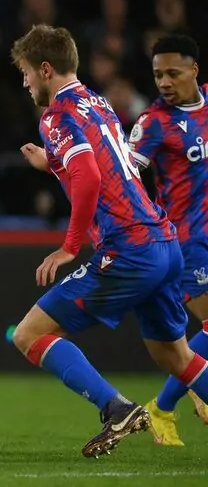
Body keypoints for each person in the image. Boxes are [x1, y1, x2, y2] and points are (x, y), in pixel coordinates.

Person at [10, 24, 208, 458]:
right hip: (164, 242)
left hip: (128, 249)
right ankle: (119, 407)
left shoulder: (56, 115)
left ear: (45, 69)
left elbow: (90, 177)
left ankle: (115, 408)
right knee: (177, 358)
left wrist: (69, 245)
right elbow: (101, 161)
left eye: (26, 73)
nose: (24, 83)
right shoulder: (95, 101)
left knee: (28, 335)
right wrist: (53, 162)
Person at [126, 34, 208, 445]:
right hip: (186, 242)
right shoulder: (154, 123)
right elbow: (122, 175)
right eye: (158, 74)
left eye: (173, 73)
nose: (164, 82)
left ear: (194, 70)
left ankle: (169, 403)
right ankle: (163, 407)